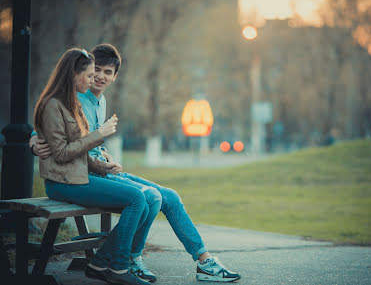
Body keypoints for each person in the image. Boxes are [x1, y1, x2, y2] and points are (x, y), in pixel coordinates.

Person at [30, 44, 241, 282]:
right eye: (94, 71)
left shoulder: (100, 101)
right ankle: (126, 259)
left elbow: (79, 139)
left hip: (99, 169)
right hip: (83, 173)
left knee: (167, 195)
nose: (98, 77)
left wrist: (105, 156)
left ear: (115, 77)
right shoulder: (74, 96)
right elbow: (48, 127)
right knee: (149, 197)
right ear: (82, 72)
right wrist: (33, 141)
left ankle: (204, 260)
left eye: (106, 72)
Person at [33, 47, 158, 285]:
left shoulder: (73, 104)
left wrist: (103, 167)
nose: (93, 80)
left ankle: (101, 262)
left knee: (144, 198)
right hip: (62, 183)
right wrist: (98, 135)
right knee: (136, 199)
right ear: (73, 74)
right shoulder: (53, 105)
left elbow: (79, 152)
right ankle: (118, 269)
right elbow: (60, 154)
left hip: (79, 176)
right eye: (89, 75)